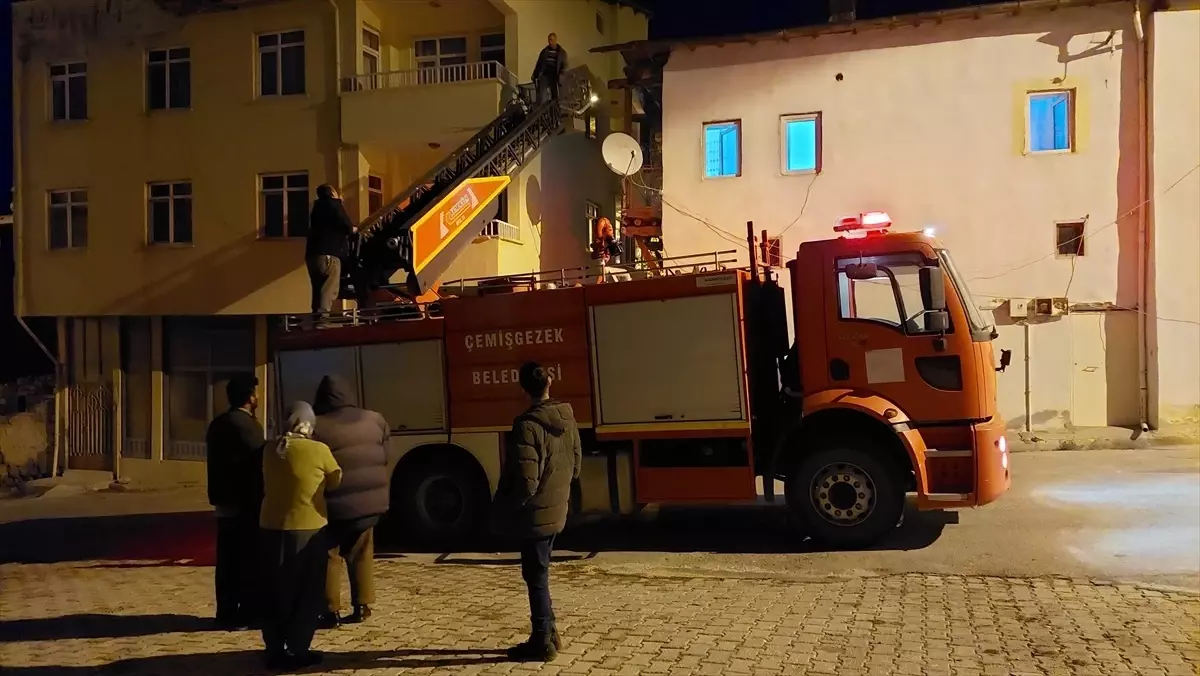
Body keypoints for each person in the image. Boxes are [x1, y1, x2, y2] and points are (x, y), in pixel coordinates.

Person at [491, 362, 582, 662]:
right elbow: (576, 466)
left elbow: (526, 483)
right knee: (540, 572)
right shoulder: (567, 418)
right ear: (550, 382)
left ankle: (542, 640)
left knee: (536, 576)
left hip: (534, 517)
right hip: (556, 511)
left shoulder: (526, 426)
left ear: (522, 389)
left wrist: (505, 511)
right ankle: (551, 632)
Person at [259, 401, 343, 670]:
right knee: (306, 592)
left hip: (270, 528)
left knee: (274, 589)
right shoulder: (318, 450)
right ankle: (298, 649)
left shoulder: (270, 449)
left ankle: (274, 648)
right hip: (308, 528)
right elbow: (335, 479)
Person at [311, 374, 390, 628]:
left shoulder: (317, 426)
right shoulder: (375, 419)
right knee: (362, 552)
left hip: (333, 505)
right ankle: (362, 605)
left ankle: (330, 611)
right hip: (369, 505)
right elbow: (386, 455)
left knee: (329, 555)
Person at [205, 373, 266, 630]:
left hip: (224, 502)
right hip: (245, 503)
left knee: (228, 561)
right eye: (255, 392)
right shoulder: (248, 426)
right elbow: (258, 464)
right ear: (250, 397)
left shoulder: (218, 423)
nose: (258, 396)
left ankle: (227, 612)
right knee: (247, 560)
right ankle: (247, 613)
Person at [306, 184, 356, 317]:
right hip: (329, 254)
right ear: (332, 193)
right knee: (329, 289)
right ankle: (322, 319)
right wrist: (353, 229)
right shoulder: (334, 204)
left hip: (312, 255)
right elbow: (346, 225)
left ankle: (316, 317)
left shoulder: (316, 208)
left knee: (318, 288)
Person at [531, 33, 568, 104]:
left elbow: (564, 65)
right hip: (545, 75)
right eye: (549, 40)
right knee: (543, 95)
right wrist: (535, 75)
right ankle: (543, 111)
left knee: (556, 96)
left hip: (555, 75)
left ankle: (555, 111)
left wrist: (561, 75)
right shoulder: (544, 52)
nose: (550, 42)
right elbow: (539, 64)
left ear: (555, 40)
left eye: (551, 40)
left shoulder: (561, 53)